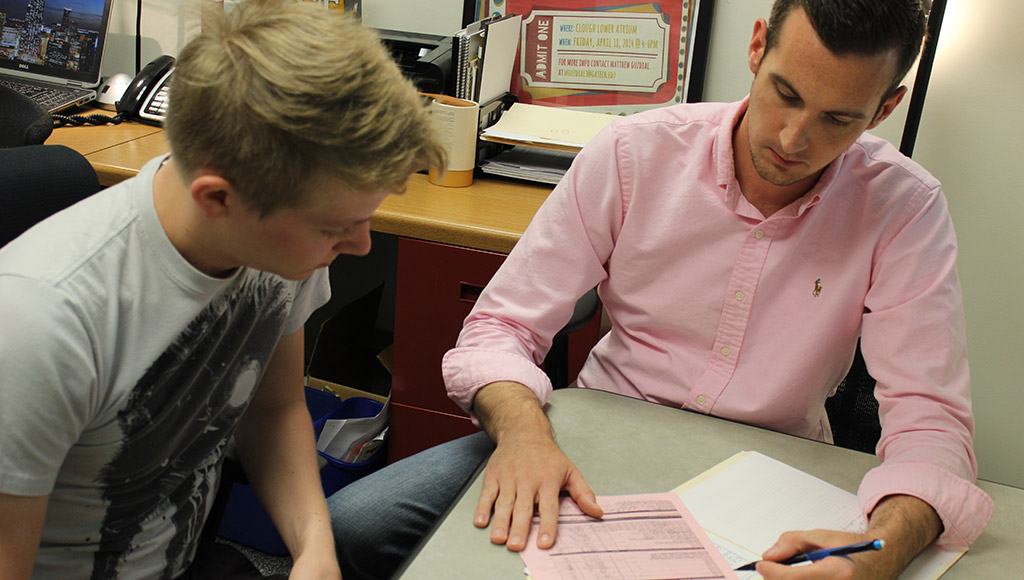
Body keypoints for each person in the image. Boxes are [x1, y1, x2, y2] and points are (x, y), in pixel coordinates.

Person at [328, 1, 995, 579]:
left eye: (838, 119)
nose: (795, 139)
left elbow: (931, 421)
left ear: (886, 107)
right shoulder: (634, 153)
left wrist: (884, 546)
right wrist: (525, 430)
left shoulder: (903, 208)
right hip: (596, 433)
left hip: (774, 470)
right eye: (785, 94)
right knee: (354, 527)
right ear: (757, 45)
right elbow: (499, 327)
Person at [0, 1, 444, 578]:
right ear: (218, 198)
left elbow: (274, 407)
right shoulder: (41, 320)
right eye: (335, 227)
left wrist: (314, 549)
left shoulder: (279, 245)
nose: (360, 246)